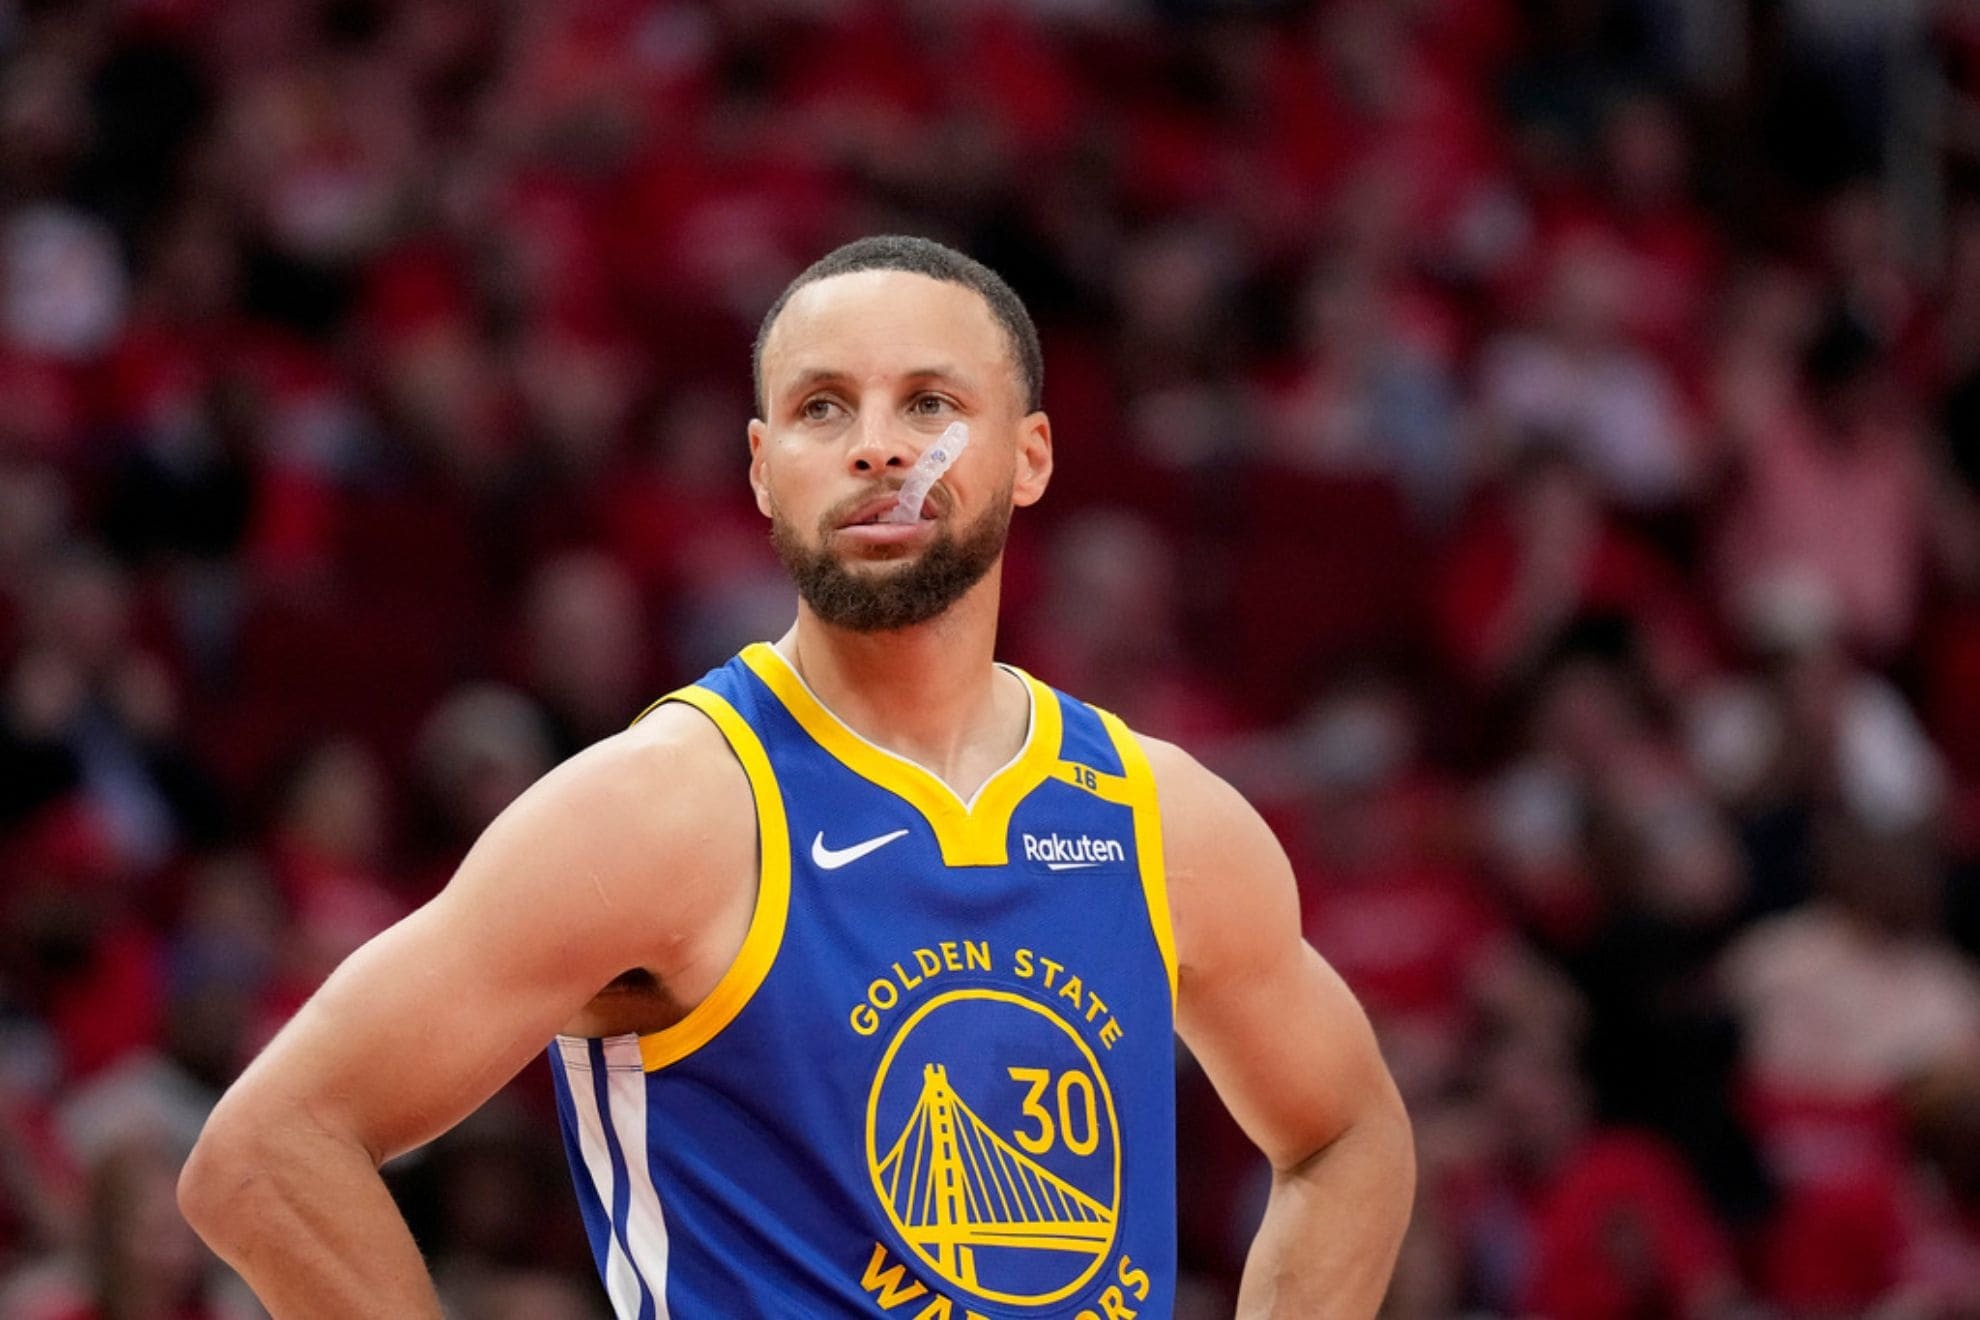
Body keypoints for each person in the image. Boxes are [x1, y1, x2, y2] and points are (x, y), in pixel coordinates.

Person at [177, 236, 1414, 1317]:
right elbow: (265, 1152)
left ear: (1031, 454)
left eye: (931, 403)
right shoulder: (659, 809)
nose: (880, 447)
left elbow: (1350, 1134)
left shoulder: (1161, 817)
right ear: (764, 470)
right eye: (825, 408)